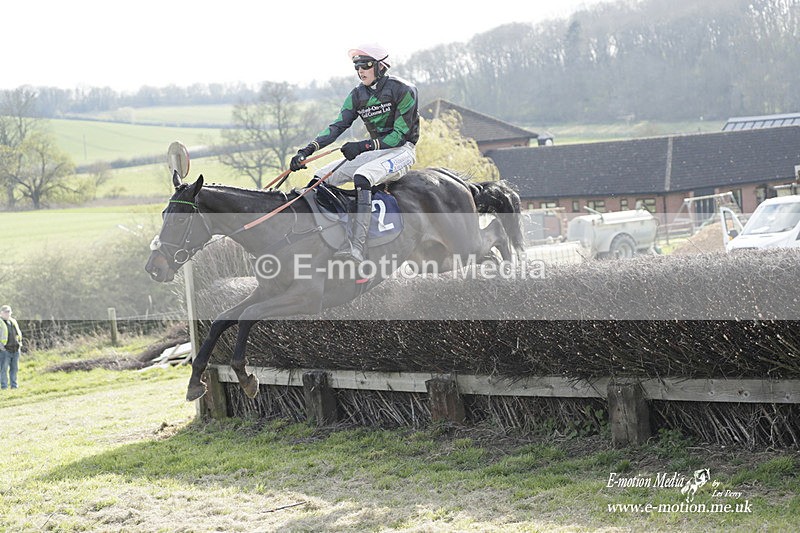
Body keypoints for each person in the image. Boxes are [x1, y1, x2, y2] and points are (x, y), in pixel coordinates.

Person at [290, 43, 420, 265]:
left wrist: (362, 146)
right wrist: (308, 150)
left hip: (402, 150)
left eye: (365, 65)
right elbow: (337, 127)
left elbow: (399, 136)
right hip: (376, 151)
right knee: (320, 178)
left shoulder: (404, 89)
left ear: (380, 66)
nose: (360, 71)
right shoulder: (357, 95)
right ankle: (321, 237)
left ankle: (357, 247)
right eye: (357, 67)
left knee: (363, 176)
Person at [0, 305, 23, 390]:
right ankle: (4, 387)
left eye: (9, 312)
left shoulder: (13, 321)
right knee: (3, 369)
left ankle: (14, 386)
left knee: (14, 369)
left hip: (15, 349)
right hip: (5, 350)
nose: (7, 313)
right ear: (1, 313)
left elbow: (18, 333)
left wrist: (19, 344)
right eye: (5, 312)